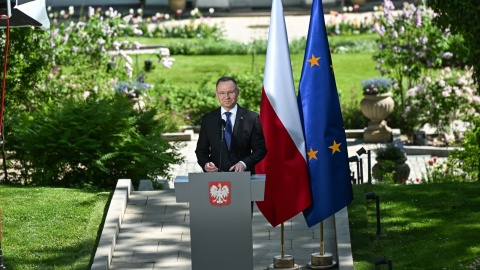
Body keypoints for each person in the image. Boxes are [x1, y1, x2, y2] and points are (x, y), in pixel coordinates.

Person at [195, 76, 267, 173]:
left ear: (238, 92)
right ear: (217, 94)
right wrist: (206, 164)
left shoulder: (251, 118)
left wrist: (244, 163)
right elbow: (201, 150)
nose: (226, 97)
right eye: (222, 93)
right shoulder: (208, 120)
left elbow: (260, 149)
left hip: (243, 176)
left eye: (231, 92)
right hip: (216, 179)